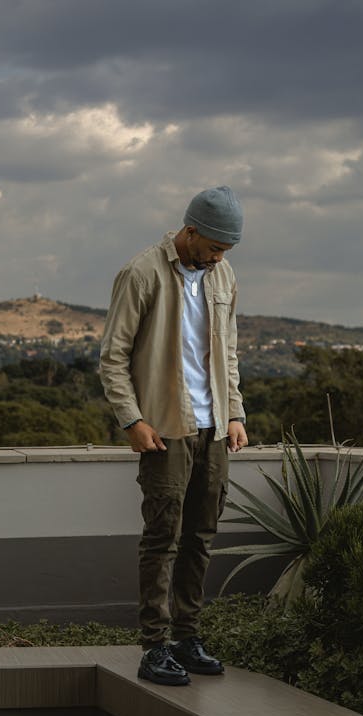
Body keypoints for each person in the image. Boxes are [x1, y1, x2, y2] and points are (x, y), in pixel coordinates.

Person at [100, 186, 248, 686]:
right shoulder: (141, 273)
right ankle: (154, 646)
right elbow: (113, 356)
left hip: (214, 428)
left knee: (201, 536)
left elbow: (227, 353)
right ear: (190, 232)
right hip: (164, 428)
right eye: (214, 247)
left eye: (225, 251)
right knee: (162, 537)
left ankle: (187, 637)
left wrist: (235, 414)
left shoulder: (222, 275)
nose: (219, 257)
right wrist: (132, 420)